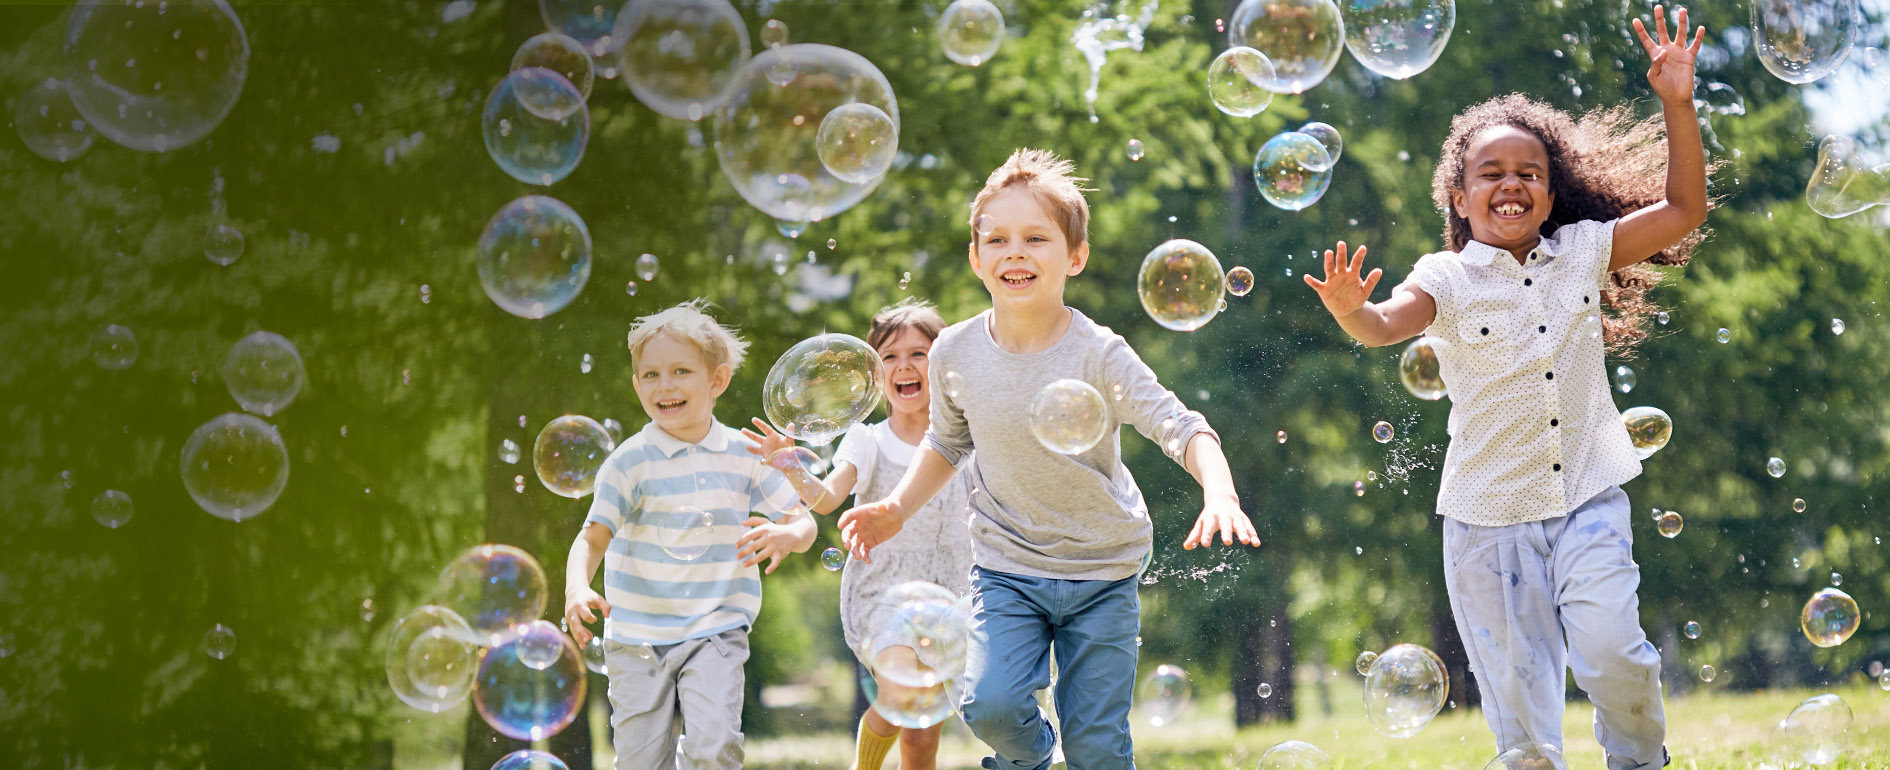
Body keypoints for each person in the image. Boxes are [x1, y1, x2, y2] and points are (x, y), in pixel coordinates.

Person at [1300, 8, 1710, 768]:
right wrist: (1354, 310)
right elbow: (1389, 325)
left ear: (1553, 197)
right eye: (1490, 173)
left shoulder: (1585, 252)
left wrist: (1677, 103)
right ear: (1459, 198)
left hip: (1589, 496)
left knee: (1616, 656)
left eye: (1530, 174)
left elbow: (1685, 212)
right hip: (1487, 524)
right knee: (1523, 734)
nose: (1512, 184)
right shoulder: (1446, 279)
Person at [839, 148, 1260, 770]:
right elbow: (948, 442)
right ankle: (1036, 759)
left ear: (1075, 257)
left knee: (1097, 746)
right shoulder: (953, 351)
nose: (1016, 252)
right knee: (987, 705)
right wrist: (897, 510)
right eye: (999, 239)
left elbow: (1181, 426)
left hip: (1102, 568)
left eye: (1037, 238)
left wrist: (1219, 491)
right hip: (1006, 566)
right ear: (977, 258)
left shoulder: (1100, 353)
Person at [562, 299, 818, 770]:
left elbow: (805, 517)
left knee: (715, 748)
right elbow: (591, 537)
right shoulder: (628, 461)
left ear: (716, 380)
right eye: (651, 375)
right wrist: (577, 586)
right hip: (638, 635)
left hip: (717, 627)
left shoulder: (746, 452)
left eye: (680, 370)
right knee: (640, 763)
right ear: (637, 383)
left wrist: (789, 535)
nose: (665, 386)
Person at [743, 298, 973, 770]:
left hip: (953, 592)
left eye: (918, 354)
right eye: (890, 356)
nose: (904, 366)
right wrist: (790, 464)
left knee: (922, 737)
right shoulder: (867, 440)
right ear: (874, 374)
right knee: (898, 689)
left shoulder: (968, 436)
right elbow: (827, 498)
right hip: (885, 591)